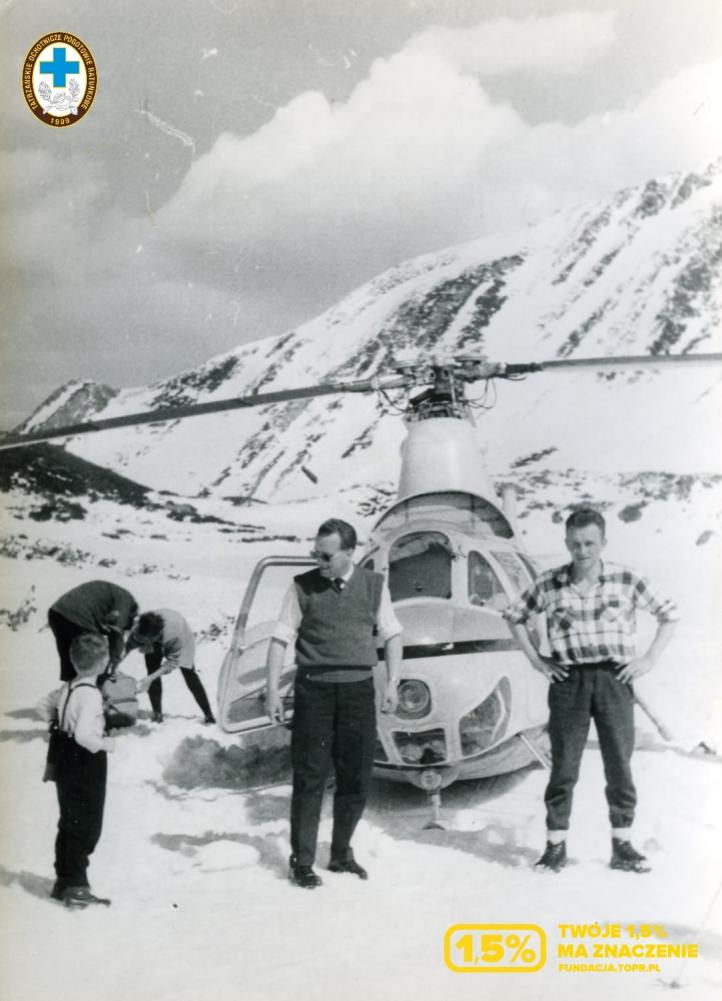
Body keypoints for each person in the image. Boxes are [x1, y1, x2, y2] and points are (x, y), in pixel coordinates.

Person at [504, 507, 678, 874]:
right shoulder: (549, 583)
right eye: (575, 543)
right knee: (564, 767)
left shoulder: (626, 578)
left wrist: (648, 660)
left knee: (619, 763)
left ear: (603, 543)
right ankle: (555, 847)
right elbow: (514, 616)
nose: (582, 551)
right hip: (569, 683)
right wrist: (538, 660)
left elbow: (668, 614)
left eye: (589, 543)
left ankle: (623, 845)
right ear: (566, 542)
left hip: (615, 680)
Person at [266, 518, 402, 889]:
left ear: (348, 553)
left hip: (358, 693)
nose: (317, 561)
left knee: (356, 777)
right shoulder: (301, 588)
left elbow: (391, 635)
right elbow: (280, 638)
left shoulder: (374, 586)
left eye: (325, 555)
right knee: (310, 778)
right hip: (314, 693)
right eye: (315, 553)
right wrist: (272, 690)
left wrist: (393, 682)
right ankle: (302, 862)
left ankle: (341, 853)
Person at [37, 633, 115, 908]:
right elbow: (84, 736)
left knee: (70, 819)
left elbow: (43, 705)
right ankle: (77, 886)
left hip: (64, 757)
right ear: (105, 662)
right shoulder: (91, 695)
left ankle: (64, 881)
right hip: (86, 762)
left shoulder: (68, 687)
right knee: (88, 825)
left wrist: (54, 723)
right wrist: (106, 743)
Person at [127, 609, 215, 724]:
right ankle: (157, 714)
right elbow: (127, 646)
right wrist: (113, 665)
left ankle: (208, 714)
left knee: (188, 672)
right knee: (152, 669)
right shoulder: (139, 628)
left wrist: (149, 679)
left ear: (155, 637)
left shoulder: (175, 635)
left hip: (180, 635)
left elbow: (173, 662)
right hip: (154, 633)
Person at [48, 580, 138, 681]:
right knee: (90, 662)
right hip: (77, 618)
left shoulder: (114, 596)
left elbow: (107, 625)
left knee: (70, 664)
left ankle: (69, 692)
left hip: (57, 613)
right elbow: (116, 632)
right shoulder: (126, 601)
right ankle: (89, 691)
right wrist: (114, 662)